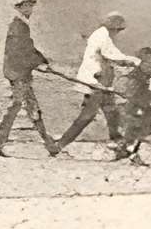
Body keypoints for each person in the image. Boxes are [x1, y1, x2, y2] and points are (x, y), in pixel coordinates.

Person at [51, 11, 141, 155]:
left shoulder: (104, 35)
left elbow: (113, 53)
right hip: (95, 83)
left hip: (104, 84)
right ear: (113, 27)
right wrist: (132, 61)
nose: (117, 33)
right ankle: (59, 145)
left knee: (112, 115)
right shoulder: (101, 35)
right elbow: (111, 54)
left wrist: (129, 60)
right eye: (117, 29)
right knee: (87, 116)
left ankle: (120, 146)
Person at [0, 0, 56, 156]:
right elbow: (21, 52)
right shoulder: (18, 26)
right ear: (19, 8)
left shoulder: (21, 25)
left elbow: (29, 47)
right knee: (18, 105)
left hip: (21, 72)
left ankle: (48, 143)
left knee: (29, 105)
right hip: (18, 73)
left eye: (31, 6)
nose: (30, 9)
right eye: (27, 6)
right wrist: (38, 63)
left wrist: (42, 60)